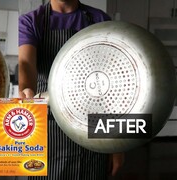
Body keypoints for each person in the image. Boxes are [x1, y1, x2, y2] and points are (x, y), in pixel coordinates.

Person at [19, 0, 124, 179]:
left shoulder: (99, 19)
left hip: (92, 123)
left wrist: (118, 146)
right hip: (48, 124)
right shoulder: (32, 21)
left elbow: (113, 82)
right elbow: (27, 64)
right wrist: (27, 90)